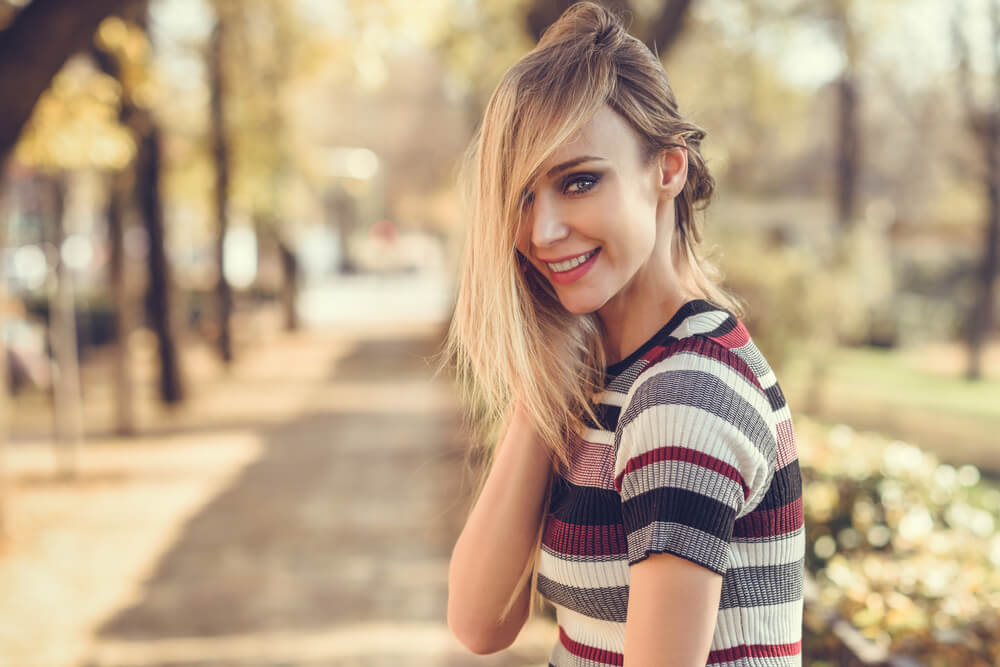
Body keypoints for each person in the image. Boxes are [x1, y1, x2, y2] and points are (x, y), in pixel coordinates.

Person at [439, 3, 804, 665]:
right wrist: (545, 375)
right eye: (521, 196)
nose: (542, 231)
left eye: (578, 181)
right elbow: (479, 619)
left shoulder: (683, 395)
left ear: (668, 169)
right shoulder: (608, 368)